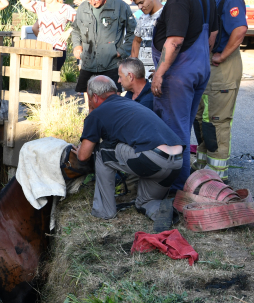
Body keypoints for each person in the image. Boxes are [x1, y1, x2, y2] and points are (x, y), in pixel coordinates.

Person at [146, 0, 219, 191]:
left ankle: (176, 188)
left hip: (179, 74)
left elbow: (175, 40)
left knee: (174, 132)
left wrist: (159, 74)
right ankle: (184, 181)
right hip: (199, 67)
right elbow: (212, 34)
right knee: (184, 127)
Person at [73, 75, 183, 231]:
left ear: (94, 97)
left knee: (102, 150)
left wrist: (91, 112)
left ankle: (104, 211)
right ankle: (164, 211)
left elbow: (83, 156)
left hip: (154, 160)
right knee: (144, 203)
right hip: (176, 161)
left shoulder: (98, 114)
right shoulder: (130, 104)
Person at [193, 0, 248, 182]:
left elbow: (240, 29)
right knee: (202, 116)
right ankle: (204, 166)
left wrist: (222, 55)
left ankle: (217, 175)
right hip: (210, 66)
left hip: (222, 66)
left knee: (217, 119)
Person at [71, 0, 136, 97]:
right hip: (89, 63)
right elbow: (75, 30)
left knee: (112, 101)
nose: (93, 2)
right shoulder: (83, 8)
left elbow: (133, 31)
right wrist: (77, 46)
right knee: (91, 99)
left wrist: (122, 51)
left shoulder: (120, 6)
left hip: (111, 64)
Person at [20, 0, 76, 71]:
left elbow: (80, 20)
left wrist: (68, 31)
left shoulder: (65, 8)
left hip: (58, 48)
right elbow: (23, 2)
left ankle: (54, 85)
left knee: (53, 78)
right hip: (42, 47)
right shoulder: (40, 6)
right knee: (43, 78)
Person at [128, 0, 163, 69]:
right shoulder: (142, 18)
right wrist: (133, 66)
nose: (139, 7)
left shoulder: (166, 14)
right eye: (137, 4)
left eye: (141, 2)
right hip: (142, 75)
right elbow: (136, 41)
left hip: (159, 74)